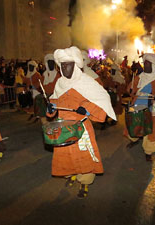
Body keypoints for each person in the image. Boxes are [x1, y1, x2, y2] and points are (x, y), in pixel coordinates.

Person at [46, 46, 116, 198]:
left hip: (80, 127)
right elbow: (54, 102)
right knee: (66, 154)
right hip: (63, 127)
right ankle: (72, 174)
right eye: (62, 65)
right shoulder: (60, 83)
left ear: (76, 65)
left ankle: (84, 182)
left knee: (82, 155)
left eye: (68, 65)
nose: (65, 68)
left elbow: (102, 99)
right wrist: (51, 107)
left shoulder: (86, 82)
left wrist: (86, 108)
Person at [125, 53, 155, 161]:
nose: (145, 66)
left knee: (152, 128)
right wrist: (131, 90)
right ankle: (134, 139)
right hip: (137, 104)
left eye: (147, 64)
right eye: (145, 63)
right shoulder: (139, 77)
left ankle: (148, 151)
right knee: (134, 122)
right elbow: (130, 89)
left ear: (154, 65)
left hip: (152, 107)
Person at [37, 53, 61, 124]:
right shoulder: (44, 75)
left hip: (55, 98)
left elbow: (55, 86)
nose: (51, 64)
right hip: (45, 98)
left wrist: (47, 87)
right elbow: (40, 86)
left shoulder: (58, 74)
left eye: (52, 63)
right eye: (49, 63)